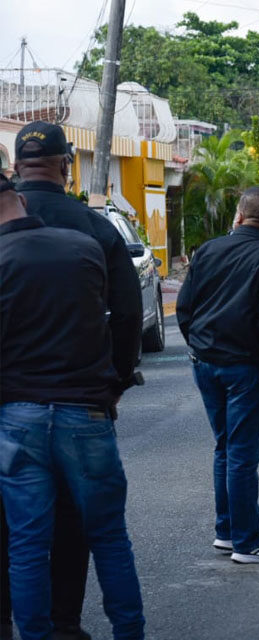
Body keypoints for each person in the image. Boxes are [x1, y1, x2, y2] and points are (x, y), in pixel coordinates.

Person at [4, 121, 142, 640]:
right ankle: (68, 621)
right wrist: (118, 381)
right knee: (90, 526)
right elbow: (128, 316)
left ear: (17, 168)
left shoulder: (4, 224)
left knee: (20, 530)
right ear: (67, 166)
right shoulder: (95, 229)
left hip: (14, 407)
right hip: (84, 403)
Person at [176, 187, 259, 564]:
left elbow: (184, 307)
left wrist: (197, 346)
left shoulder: (208, 250)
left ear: (239, 216)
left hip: (206, 362)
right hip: (244, 368)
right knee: (241, 454)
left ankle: (228, 531)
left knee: (224, 448)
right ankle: (247, 541)